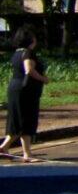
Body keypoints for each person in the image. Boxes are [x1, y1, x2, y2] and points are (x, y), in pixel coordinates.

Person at [0, 26, 49, 162]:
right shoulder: (28, 53)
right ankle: (27, 154)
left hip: (15, 87)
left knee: (17, 119)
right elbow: (29, 70)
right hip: (25, 89)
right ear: (30, 39)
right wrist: (43, 79)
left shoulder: (17, 53)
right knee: (26, 120)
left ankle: (4, 147)